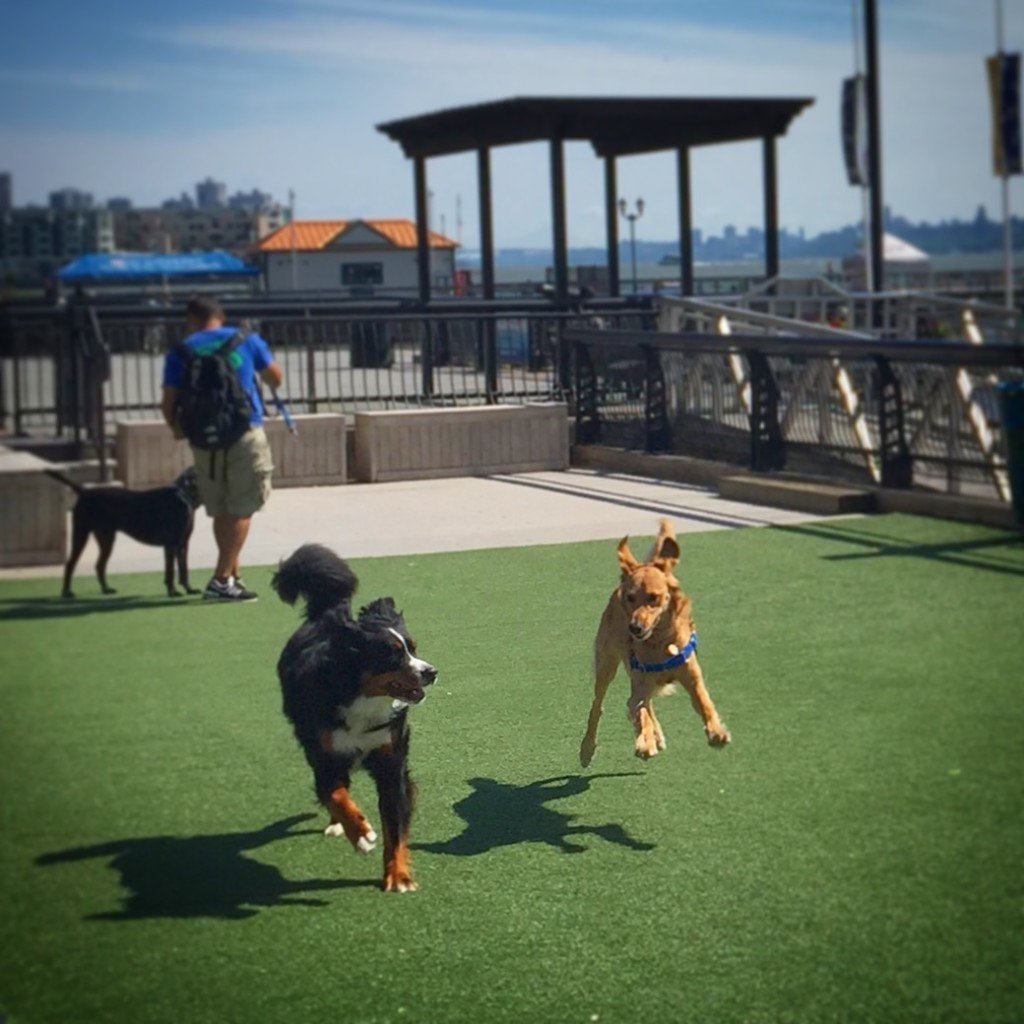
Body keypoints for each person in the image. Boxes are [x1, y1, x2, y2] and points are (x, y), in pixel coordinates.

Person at [161, 295, 283, 602]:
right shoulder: (246, 339)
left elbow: (168, 402)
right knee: (243, 507)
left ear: (191, 320)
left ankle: (232, 576)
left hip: (203, 438)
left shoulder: (181, 350)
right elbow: (275, 379)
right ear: (221, 316)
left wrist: (178, 429)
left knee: (221, 508)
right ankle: (220, 579)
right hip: (244, 432)